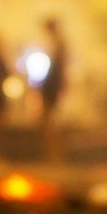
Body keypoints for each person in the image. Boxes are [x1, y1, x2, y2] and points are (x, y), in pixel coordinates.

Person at [39, 17, 68, 161]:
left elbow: (58, 71)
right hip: (51, 87)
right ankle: (53, 157)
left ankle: (55, 157)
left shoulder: (59, 45)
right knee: (48, 123)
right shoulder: (57, 44)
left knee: (49, 124)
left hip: (52, 88)